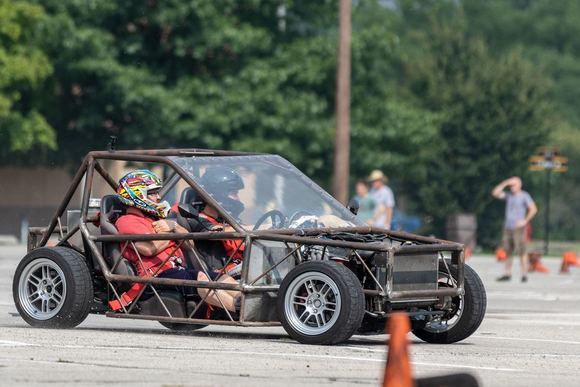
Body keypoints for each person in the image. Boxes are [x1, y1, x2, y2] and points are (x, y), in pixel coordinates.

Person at [110, 169, 239, 311]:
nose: (158, 197)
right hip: (154, 276)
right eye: (152, 193)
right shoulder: (127, 221)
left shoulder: (158, 219)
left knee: (220, 277)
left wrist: (175, 227)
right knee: (201, 279)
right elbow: (148, 249)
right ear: (137, 194)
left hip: (175, 270)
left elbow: (189, 245)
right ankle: (239, 309)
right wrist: (174, 234)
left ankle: (249, 301)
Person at [492, 176, 538, 283]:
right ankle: (507, 273)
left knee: (522, 251)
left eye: (514, 185)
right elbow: (495, 193)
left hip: (519, 228)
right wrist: (506, 182)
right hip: (508, 227)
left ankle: (524, 274)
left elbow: (533, 209)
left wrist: (525, 221)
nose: (512, 187)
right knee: (508, 251)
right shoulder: (509, 196)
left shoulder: (524, 196)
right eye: (511, 185)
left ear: (519, 185)